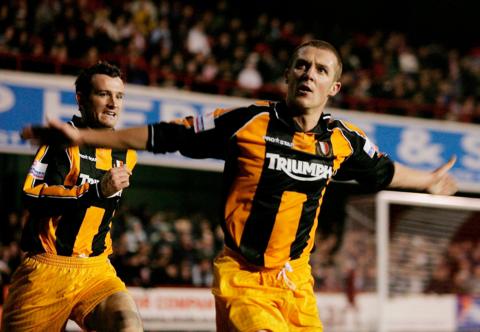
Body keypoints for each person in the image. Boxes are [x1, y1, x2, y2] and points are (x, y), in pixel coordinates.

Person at [21, 40, 457, 331]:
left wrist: (430, 181)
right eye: (301, 65)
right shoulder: (247, 123)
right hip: (243, 279)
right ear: (287, 76)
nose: (308, 73)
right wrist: (83, 137)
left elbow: (383, 172)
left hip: (296, 283)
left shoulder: (343, 141)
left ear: (334, 86)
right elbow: (162, 136)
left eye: (320, 69)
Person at [2, 62, 143, 331]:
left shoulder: (127, 153)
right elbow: (32, 196)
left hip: (97, 270)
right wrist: (96, 190)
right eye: (104, 94)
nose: (113, 103)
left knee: (127, 324)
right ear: (81, 98)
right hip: (46, 271)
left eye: (120, 96)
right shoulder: (60, 141)